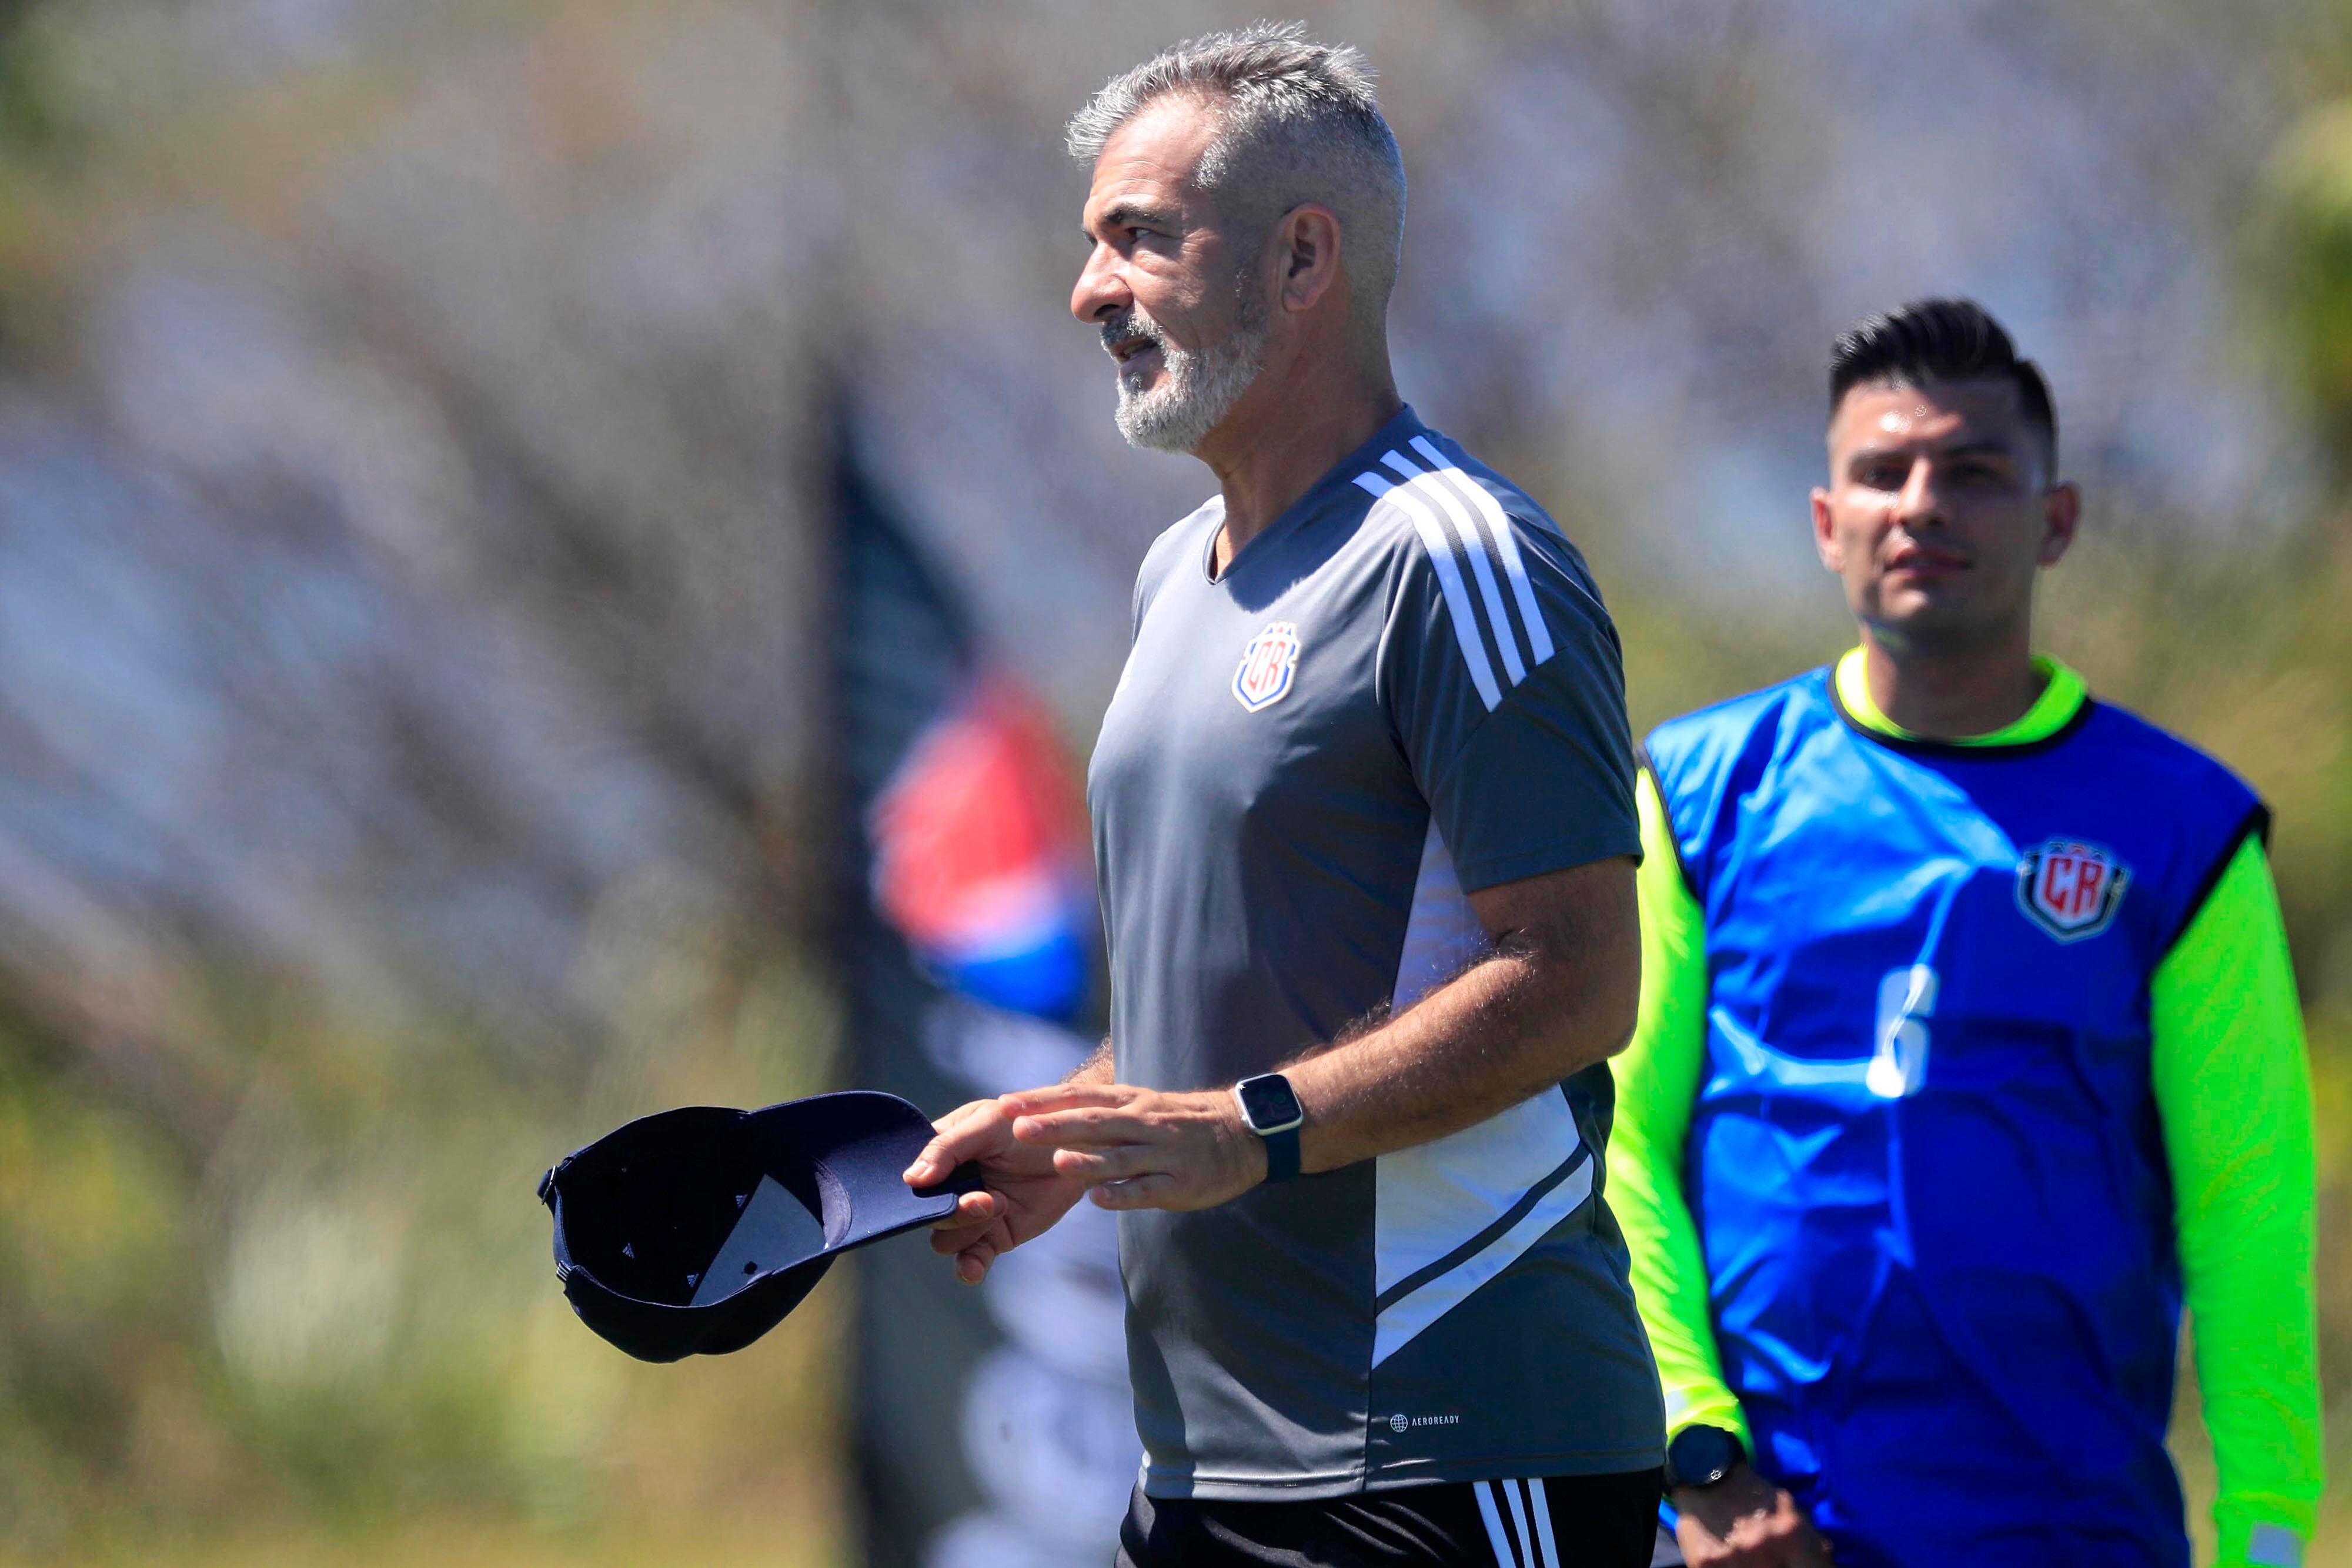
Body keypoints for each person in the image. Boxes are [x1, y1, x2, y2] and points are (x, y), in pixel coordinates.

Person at [901, 23, 1666, 1568]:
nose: (1090, 290)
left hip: (1454, 1451)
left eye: (1140, 238)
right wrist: (1076, 1125)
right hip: (1204, 1465)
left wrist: (1244, 1129)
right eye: (1090, 243)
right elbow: (1236, 999)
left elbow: (1579, 976)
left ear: (1302, 259)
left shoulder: (1456, 556)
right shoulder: (1169, 580)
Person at [1612, 298, 2324, 1568]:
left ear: (2054, 522)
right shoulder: (1697, 789)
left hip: (2069, 1531)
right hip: (1764, 1530)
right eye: (1880, 472)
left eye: (1972, 471)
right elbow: (1615, 1144)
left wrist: (2264, 1533)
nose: (1920, 503)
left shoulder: (2179, 828)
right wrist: (1696, 1456)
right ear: (1827, 523)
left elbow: (2246, 1208)